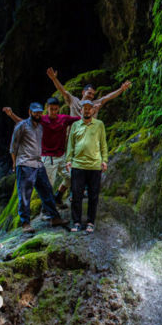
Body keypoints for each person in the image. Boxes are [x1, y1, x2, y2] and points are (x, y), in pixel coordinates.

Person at [2, 97, 80, 210]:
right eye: (51, 109)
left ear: (58, 109)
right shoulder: (42, 120)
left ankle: (58, 197)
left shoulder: (64, 119)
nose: (53, 112)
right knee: (47, 186)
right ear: (47, 109)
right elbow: (23, 123)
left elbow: (80, 118)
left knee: (71, 178)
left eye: (56, 109)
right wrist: (11, 114)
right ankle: (45, 211)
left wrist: (93, 109)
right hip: (48, 158)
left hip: (61, 156)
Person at [9, 102, 69, 233]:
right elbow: (13, 147)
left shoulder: (41, 126)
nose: (38, 114)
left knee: (47, 190)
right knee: (25, 195)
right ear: (30, 112)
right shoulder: (22, 126)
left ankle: (54, 217)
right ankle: (25, 223)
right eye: (35, 112)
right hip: (24, 164)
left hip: (38, 163)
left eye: (40, 112)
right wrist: (14, 163)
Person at [65, 100, 107, 233]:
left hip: (94, 165)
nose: (87, 110)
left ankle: (90, 222)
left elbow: (103, 144)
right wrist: (68, 160)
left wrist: (104, 160)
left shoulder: (99, 124)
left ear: (93, 110)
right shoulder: (75, 125)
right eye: (85, 108)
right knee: (76, 195)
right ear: (81, 110)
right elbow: (71, 144)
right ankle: (76, 222)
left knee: (93, 196)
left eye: (89, 108)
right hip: (78, 164)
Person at [45, 67, 131, 117]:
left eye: (93, 94)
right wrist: (54, 79)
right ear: (83, 92)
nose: (91, 96)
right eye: (89, 93)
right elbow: (63, 91)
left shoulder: (95, 104)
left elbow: (107, 97)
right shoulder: (74, 101)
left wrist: (121, 89)